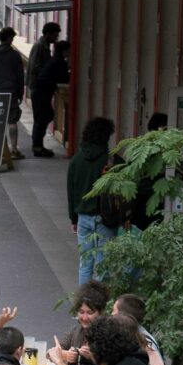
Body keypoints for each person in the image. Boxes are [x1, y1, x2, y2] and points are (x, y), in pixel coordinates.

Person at [67, 119, 119, 285]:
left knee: (85, 263)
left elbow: (71, 192)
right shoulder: (111, 161)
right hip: (105, 218)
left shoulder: (76, 160)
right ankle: (99, 305)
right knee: (102, 264)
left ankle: (84, 305)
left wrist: (73, 219)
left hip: (82, 217)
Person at [0, 28, 27, 159]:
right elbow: (20, 76)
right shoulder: (15, 55)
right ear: (8, 38)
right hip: (11, 92)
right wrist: (20, 93)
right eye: (12, 38)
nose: (13, 40)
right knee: (12, 120)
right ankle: (13, 149)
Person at [28, 22, 64, 156]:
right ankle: (37, 146)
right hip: (39, 87)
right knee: (42, 116)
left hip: (40, 87)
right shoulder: (40, 46)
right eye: (55, 35)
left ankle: (38, 144)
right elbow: (36, 67)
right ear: (48, 34)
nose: (56, 38)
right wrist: (49, 72)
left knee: (44, 115)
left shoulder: (43, 45)